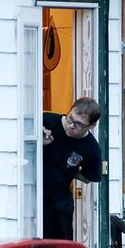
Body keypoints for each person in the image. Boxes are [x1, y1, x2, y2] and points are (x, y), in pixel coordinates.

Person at [42, 97, 102, 240]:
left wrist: (69, 171)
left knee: (60, 245)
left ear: (92, 126)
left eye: (79, 124)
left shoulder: (92, 149)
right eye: (70, 118)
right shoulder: (45, 121)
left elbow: (88, 178)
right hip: (33, 195)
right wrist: (39, 142)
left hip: (59, 202)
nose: (71, 126)